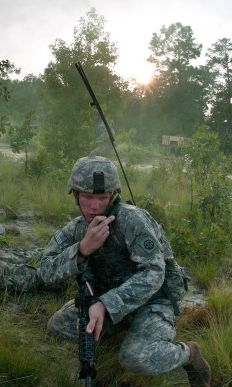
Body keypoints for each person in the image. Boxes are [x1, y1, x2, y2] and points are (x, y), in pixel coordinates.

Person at [38, 156, 211, 386]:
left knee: (134, 358)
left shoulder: (132, 221)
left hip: (151, 302)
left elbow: (154, 275)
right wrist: (81, 250)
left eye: (102, 198)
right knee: (58, 327)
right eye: (87, 197)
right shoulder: (77, 229)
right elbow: (45, 270)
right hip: (107, 301)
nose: (94, 206)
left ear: (112, 196)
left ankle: (189, 354)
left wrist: (106, 305)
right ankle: (118, 329)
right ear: (75, 195)